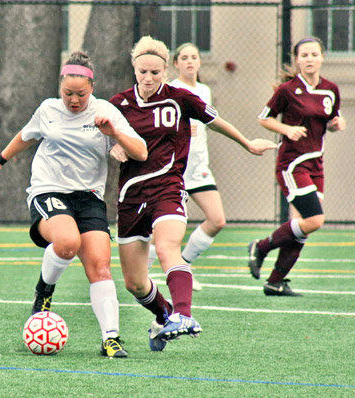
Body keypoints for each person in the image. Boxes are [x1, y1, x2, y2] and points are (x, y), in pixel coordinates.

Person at [109, 35, 276, 352]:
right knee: (134, 282)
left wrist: (249, 143)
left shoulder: (181, 98)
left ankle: (184, 315)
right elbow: (103, 137)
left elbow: (216, 122)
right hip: (131, 197)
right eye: (142, 72)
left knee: (168, 246)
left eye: (155, 73)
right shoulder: (118, 104)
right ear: (134, 69)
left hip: (167, 189)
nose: (148, 78)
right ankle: (165, 315)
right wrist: (114, 144)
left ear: (165, 72)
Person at [0, 51, 148, 358]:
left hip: (88, 198)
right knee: (68, 242)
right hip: (49, 190)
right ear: (60, 87)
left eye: (81, 94)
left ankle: (110, 339)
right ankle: (44, 292)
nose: (74, 100)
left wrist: (114, 135)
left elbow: (141, 152)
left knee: (100, 266)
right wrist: (0, 159)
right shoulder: (48, 109)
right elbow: (26, 136)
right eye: (67, 93)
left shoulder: (106, 112)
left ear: (92, 87)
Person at [247, 37, 346, 296]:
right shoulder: (288, 89)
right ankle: (261, 246)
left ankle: (275, 281)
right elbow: (264, 119)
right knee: (314, 220)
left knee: (302, 225)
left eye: (314, 54)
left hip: (317, 163)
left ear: (322, 57)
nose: (310, 59)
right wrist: (286, 129)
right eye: (304, 55)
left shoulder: (331, 89)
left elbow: (332, 119)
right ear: (297, 60)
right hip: (292, 164)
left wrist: (337, 124)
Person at [147, 42, 226, 291]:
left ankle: (183, 264)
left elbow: (210, 122)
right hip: (174, 168)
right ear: (176, 64)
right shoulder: (171, 90)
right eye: (184, 57)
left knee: (217, 220)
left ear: (199, 62)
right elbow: (155, 122)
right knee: (161, 229)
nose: (190, 61)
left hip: (199, 168)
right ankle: (140, 274)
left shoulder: (204, 90)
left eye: (194, 57)